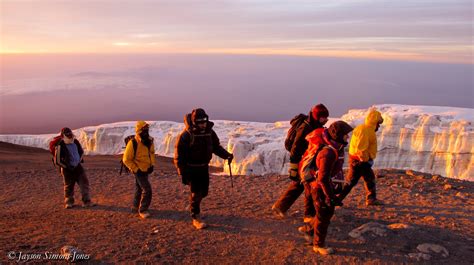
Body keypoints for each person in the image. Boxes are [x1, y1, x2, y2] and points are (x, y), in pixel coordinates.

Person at [174, 108, 233, 230]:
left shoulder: (210, 133)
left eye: (204, 121)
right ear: (195, 122)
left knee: (204, 192)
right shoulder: (186, 135)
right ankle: (196, 217)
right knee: (197, 193)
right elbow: (179, 156)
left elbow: (215, 147)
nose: (203, 124)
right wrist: (182, 172)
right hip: (191, 168)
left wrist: (226, 155)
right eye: (200, 122)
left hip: (204, 167)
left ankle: (193, 205)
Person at [300, 121, 353, 255]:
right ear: (338, 135)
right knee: (324, 215)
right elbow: (323, 178)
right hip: (320, 188)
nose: (348, 137)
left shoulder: (334, 148)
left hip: (323, 187)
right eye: (345, 135)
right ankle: (318, 245)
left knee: (325, 214)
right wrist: (330, 196)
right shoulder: (327, 153)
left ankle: (308, 229)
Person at [272, 104, 329, 221]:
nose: (325, 120)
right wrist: (294, 167)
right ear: (316, 116)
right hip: (302, 160)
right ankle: (307, 215)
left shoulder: (315, 125)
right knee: (304, 184)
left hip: (308, 159)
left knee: (300, 184)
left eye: (326, 118)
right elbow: (295, 148)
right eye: (323, 118)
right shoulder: (305, 128)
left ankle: (280, 206)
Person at [337, 108, 384, 206]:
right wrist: (365, 160)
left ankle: (370, 198)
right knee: (353, 181)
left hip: (358, 160)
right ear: (374, 122)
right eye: (378, 124)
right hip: (360, 160)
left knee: (365, 179)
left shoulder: (366, 129)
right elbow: (361, 148)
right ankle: (337, 199)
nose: (379, 126)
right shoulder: (365, 130)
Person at [54, 127, 96, 209]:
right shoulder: (60, 145)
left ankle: (87, 201)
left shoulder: (75, 142)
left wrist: (78, 161)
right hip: (67, 170)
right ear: (63, 135)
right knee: (69, 186)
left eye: (70, 134)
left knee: (84, 184)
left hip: (78, 167)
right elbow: (57, 161)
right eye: (68, 134)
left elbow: (81, 151)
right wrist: (67, 166)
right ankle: (69, 202)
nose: (70, 136)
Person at [123, 121, 156, 219]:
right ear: (139, 131)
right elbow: (126, 159)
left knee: (139, 187)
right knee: (147, 189)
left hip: (146, 169)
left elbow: (152, 153)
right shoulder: (133, 143)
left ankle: (135, 206)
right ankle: (143, 210)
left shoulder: (149, 141)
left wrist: (151, 165)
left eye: (147, 129)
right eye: (144, 130)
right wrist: (136, 169)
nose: (146, 131)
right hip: (138, 170)